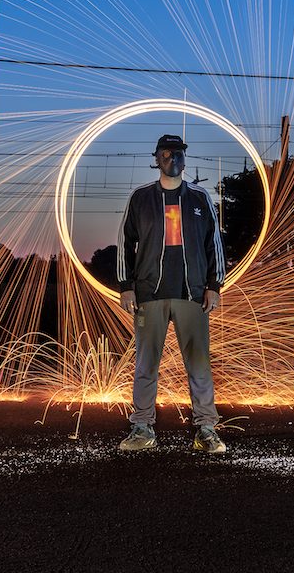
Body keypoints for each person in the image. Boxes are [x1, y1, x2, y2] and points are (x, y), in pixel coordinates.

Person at [115, 133, 228, 453]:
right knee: (146, 364)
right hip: (149, 294)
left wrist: (213, 286)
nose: (172, 160)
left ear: (184, 159)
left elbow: (214, 244)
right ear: (156, 159)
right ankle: (142, 427)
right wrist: (126, 286)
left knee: (199, 364)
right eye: (166, 154)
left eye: (177, 154)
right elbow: (125, 243)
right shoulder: (140, 198)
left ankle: (206, 429)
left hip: (191, 294)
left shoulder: (199, 198)